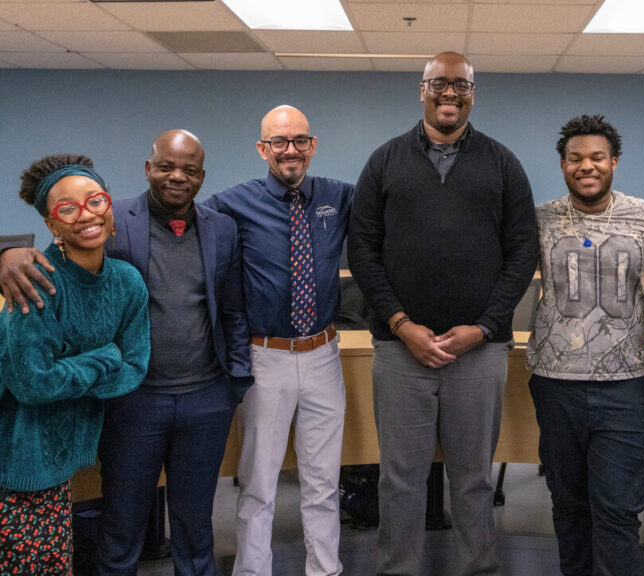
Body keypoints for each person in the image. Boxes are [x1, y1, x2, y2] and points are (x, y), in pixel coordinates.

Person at [348, 51, 538, 576]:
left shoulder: (502, 163)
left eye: (460, 84)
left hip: (478, 353)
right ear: (422, 89)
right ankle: (398, 569)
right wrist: (402, 325)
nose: (449, 93)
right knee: (399, 478)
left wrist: (484, 327)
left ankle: (481, 568)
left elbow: (524, 251)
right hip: (399, 351)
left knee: (474, 478)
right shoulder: (384, 160)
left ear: (473, 92)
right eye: (439, 84)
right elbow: (362, 248)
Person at [92, 130, 250, 576]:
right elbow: (65, 260)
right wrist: (11, 259)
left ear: (201, 177)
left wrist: (234, 383)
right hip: (135, 401)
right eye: (166, 166)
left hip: (206, 401)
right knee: (122, 525)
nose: (177, 176)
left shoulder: (222, 228)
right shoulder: (114, 219)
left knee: (195, 525)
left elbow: (234, 309)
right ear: (148, 168)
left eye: (189, 169)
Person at [205, 105, 353, 576]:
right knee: (260, 483)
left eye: (300, 141)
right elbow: (177, 231)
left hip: (324, 354)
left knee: (323, 481)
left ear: (312, 145)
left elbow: (399, 209)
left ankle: (325, 570)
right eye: (279, 142)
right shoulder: (230, 203)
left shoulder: (338, 197)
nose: (291, 150)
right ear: (262, 148)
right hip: (265, 356)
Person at [0, 155, 150, 574]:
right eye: (67, 207)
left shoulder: (126, 281)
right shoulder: (34, 280)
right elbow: (31, 383)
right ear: (52, 224)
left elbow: (134, 369)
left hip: (67, 460)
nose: (86, 215)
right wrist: (103, 357)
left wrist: (67, 373)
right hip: (20, 460)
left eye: (95, 200)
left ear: (109, 207)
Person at [526, 114, 644, 576]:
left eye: (597, 157)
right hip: (555, 381)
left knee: (619, 510)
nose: (587, 166)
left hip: (625, 383)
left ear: (614, 162)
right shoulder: (540, 218)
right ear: (563, 165)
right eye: (576, 158)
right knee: (569, 505)